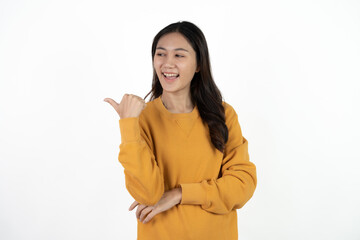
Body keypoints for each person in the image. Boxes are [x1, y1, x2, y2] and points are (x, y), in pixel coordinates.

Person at [104, 21, 257, 240]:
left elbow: (243, 185)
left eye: (179, 55)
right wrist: (128, 125)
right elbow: (148, 194)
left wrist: (179, 194)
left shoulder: (223, 114)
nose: (167, 64)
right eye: (161, 54)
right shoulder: (142, 118)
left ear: (198, 64)